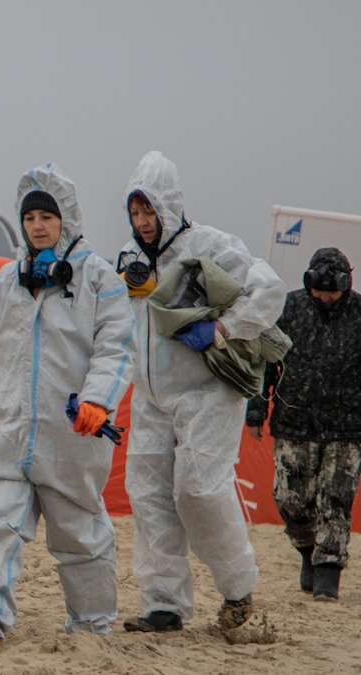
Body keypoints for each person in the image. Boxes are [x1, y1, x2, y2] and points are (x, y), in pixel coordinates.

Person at [0, 163, 133, 653]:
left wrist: (97, 400)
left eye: (47, 216)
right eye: (30, 218)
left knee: (80, 537)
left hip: (70, 438)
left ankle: (92, 626)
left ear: (66, 218)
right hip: (9, 434)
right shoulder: (6, 282)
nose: (38, 226)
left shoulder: (99, 279)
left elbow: (116, 347)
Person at [117, 151, 284, 631]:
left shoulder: (210, 245)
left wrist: (225, 329)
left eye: (149, 210)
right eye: (135, 211)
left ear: (168, 207)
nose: (143, 221)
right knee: (148, 496)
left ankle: (238, 590)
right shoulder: (129, 261)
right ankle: (164, 605)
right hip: (151, 397)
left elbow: (269, 290)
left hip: (207, 391)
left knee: (198, 491)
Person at [246, 247, 361, 601]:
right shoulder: (289, 308)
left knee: (335, 500)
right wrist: (256, 411)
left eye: (332, 292)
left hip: (347, 426)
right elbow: (264, 364)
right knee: (290, 500)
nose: (325, 297)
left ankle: (328, 570)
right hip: (293, 420)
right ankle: (307, 548)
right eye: (319, 290)